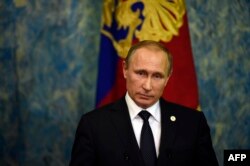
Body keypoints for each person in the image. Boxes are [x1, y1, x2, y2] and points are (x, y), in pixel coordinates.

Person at [69, 40, 219, 166]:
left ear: (168, 78)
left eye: (157, 76)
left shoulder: (193, 123)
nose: (147, 86)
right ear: (125, 70)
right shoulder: (93, 125)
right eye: (141, 73)